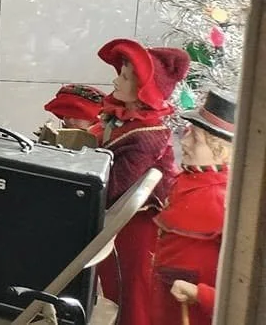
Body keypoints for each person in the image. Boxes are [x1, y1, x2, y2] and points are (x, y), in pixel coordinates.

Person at [93, 38, 189, 325]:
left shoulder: (148, 133)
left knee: (131, 296)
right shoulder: (125, 121)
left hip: (134, 230)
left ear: (144, 88)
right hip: (117, 225)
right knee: (114, 292)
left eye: (124, 76)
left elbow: (114, 188)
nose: (115, 80)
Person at [155, 89, 235, 325]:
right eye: (188, 132)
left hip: (193, 315)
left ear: (221, 151)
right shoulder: (189, 179)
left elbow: (245, 286)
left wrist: (201, 294)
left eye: (195, 139)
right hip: (167, 306)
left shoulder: (225, 204)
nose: (184, 141)